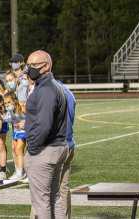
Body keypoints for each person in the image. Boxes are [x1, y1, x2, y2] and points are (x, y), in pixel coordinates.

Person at [24, 50, 68, 218]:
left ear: (46, 66)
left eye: (34, 65)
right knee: (53, 198)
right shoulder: (52, 86)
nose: (30, 69)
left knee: (41, 202)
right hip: (56, 147)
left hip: (45, 149)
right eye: (29, 65)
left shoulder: (46, 89)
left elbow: (44, 124)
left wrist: (33, 148)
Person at [56, 80, 76, 219]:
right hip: (69, 142)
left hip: (55, 145)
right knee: (64, 187)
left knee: (42, 190)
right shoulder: (67, 91)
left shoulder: (49, 91)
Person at [1, 92, 26, 182]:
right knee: (14, 151)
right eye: (5, 103)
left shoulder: (22, 108)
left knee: (19, 150)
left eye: (9, 102)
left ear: (14, 101)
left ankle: (20, 173)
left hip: (24, 132)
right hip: (15, 131)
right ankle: (17, 171)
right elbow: (5, 119)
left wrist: (24, 123)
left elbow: (32, 117)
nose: (7, 105)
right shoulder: (9, 111)